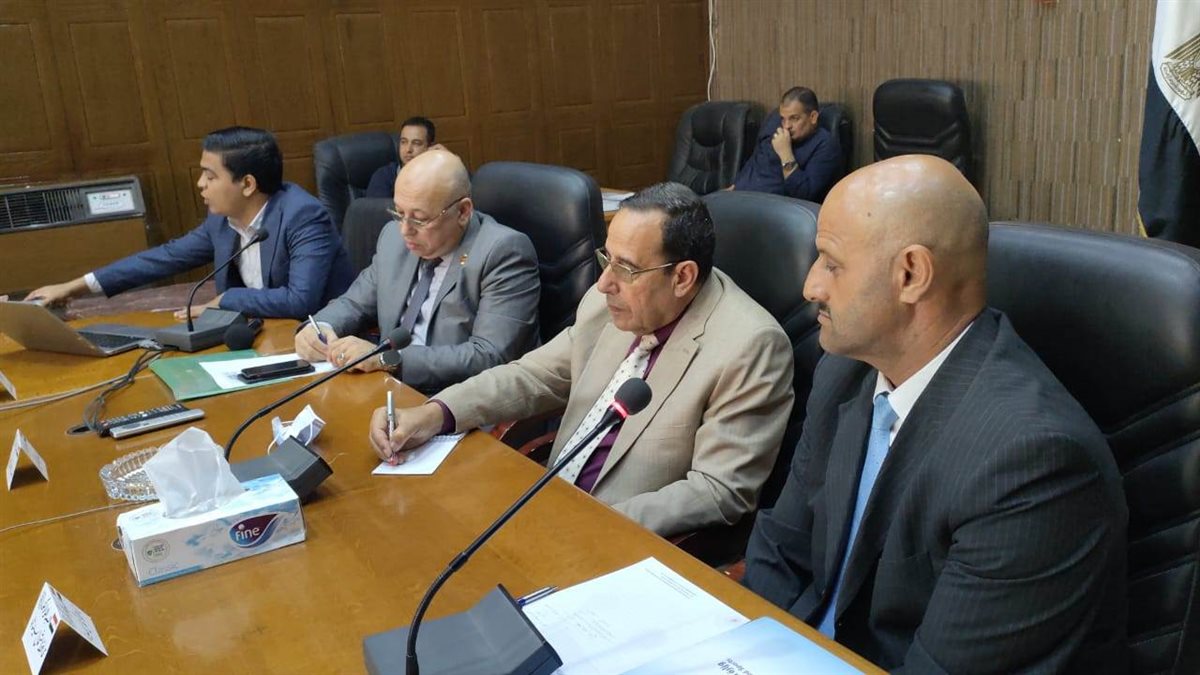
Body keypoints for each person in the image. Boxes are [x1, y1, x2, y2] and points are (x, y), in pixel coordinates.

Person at [741, 155, 1127, 672]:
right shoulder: (845, 371)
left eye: (831, 263)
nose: (811, 286)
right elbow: (781, 548)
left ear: (911, 274)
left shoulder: (1034, 463)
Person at [367, 182, 795, 537]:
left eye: (626, 268)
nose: (604, 283)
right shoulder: (610, 301)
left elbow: (718, 491)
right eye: (607, 258)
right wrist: (435, 413)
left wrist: (589, 524)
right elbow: (533, 376)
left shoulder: (750, 346)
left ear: (682, 277)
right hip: (545, 505)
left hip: (620, 541)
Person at [26, 127, 354, 320]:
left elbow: (300, 300)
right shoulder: (222, 221)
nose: (200, 184)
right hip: (261, 332)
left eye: (210, 176)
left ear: (248, 184)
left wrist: (226, 301)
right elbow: (163, 258)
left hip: (325, 339)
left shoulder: (302, 216)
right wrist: (74, 287)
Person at [296, 150, 540, 394]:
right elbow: (354, 303)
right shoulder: (393, 238)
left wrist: (387, 360)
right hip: (388, 387)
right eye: (399, 213)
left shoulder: (503, 252)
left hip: (456, 398)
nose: (405, 230)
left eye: (419, 219)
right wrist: (319, 328)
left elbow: (488, 356)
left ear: (463, 212)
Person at [729, 86, 843, 201]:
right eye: (783, 119)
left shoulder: (825, 145)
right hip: (740, 196)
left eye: (794, 118)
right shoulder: (774, 124)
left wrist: (786, 154)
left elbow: (804, 194)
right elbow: (756, 158)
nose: (787, 126)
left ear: (813, 117)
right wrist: (735, 185)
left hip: (772, 205)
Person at [364, 116, 440, 199]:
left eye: (416, 143)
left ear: (430, 147)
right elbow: (377, 207)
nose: (408, 149)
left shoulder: (439, 176)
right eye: (403, 142)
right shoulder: (384, 176)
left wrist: (450, 163)